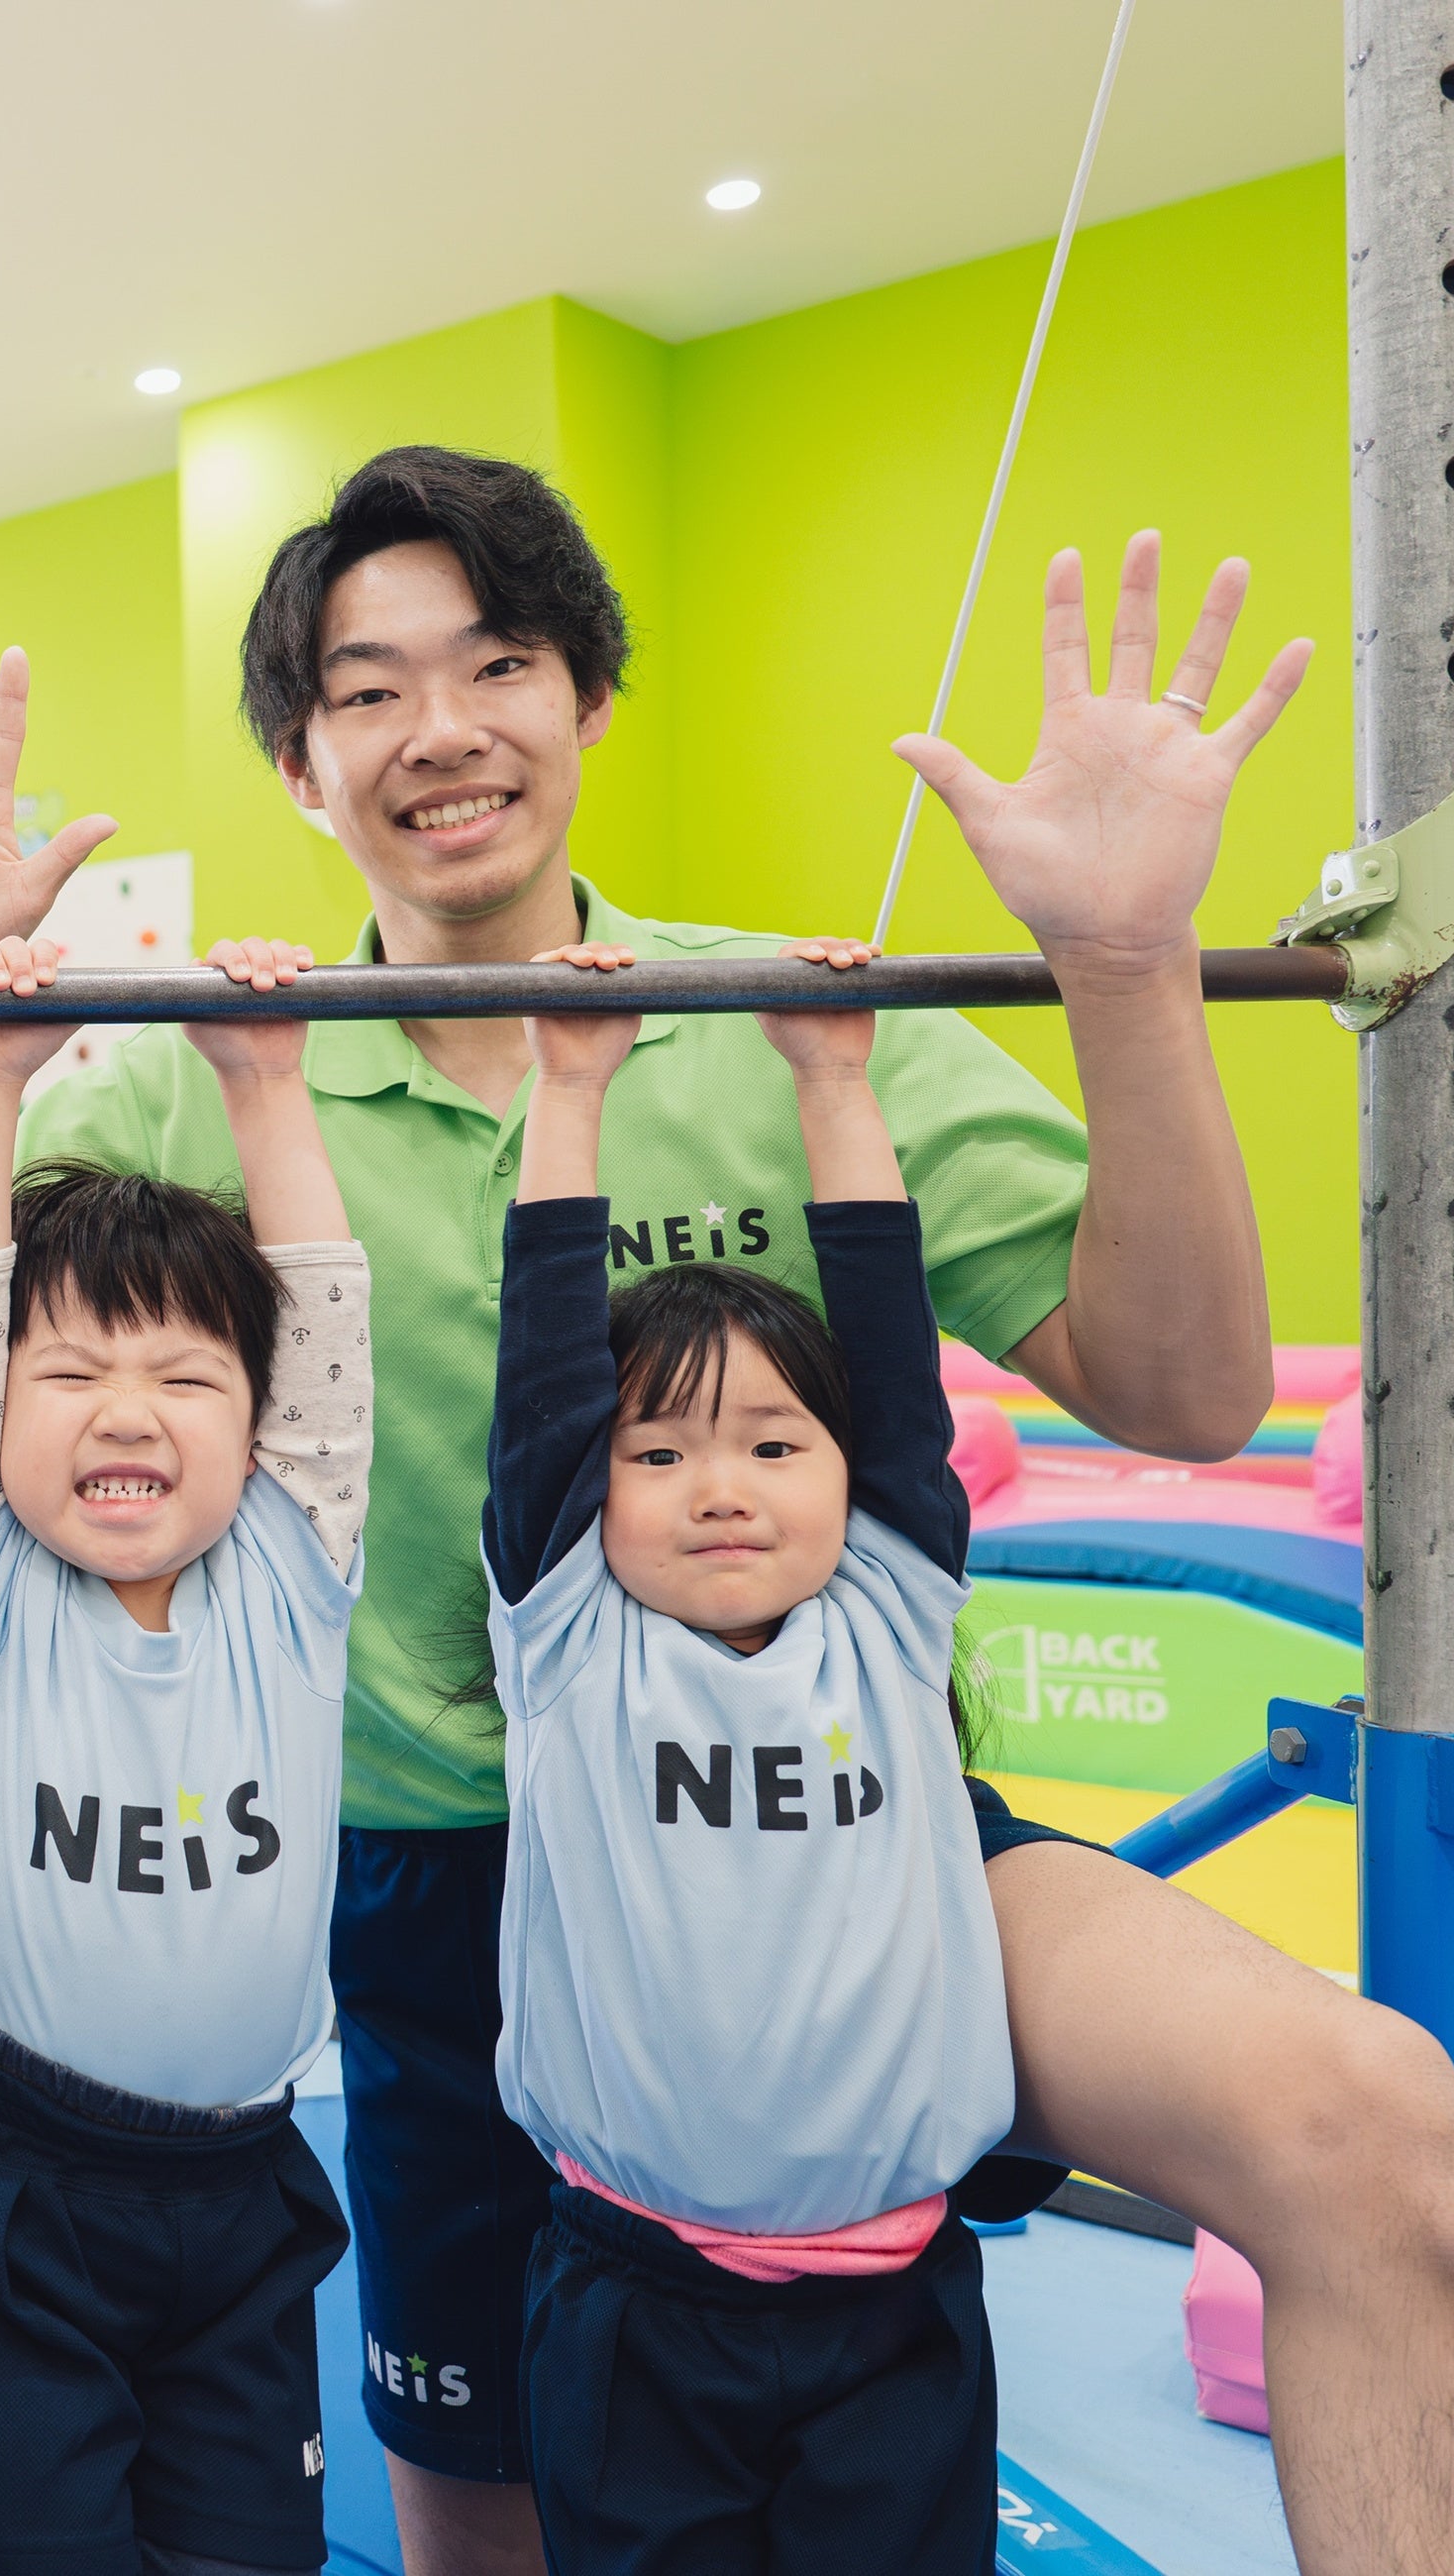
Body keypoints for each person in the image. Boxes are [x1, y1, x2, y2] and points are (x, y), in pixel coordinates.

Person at [0, 448, 1454, 2576]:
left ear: (587, 701)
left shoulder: (794, 1019)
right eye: (370, 690)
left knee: (1383, 2146)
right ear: (302, 762)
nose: (443, 728)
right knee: (496, 2529)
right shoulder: (211, 1069)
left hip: (849, 1828)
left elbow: (1189, 1389)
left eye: (500, 664)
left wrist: (1125, 964)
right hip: (445, 1889)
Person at [489, 937, 1013, 2572]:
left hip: (895, 2313)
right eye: (659, 1455)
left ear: (847, 1475)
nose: (721, 1487)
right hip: (641, 2308)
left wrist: (836, 1081)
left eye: (775, 1445)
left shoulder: (890, 1610)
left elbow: (899, 1368)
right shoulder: (575, 1638)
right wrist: (570, 1085)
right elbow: (546, 1381)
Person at [0, 930, 367, 2576]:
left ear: (259, 1419)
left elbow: (327, 1319)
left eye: (187, 1379)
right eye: (70, 1373)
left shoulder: (292, 1569)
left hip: (240, 2193)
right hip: (8, 2195)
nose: (128, 1412)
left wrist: (267, 1083)